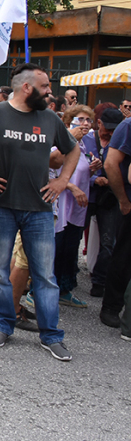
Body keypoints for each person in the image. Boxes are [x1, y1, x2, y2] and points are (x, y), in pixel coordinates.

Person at [0, 63, 80, 362]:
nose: (50, 92)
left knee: (45, 277)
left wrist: (62, 181)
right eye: (45, 87)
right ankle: (3, 325)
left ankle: (51, 335)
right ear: (26, 87)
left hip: (40, 210)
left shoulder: (50, 119)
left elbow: (73, 150)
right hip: (0, 207)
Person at [52, 105, 94, 309]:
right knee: (56, 250)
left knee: (70, 250)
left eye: (88, 120)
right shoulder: (60, 143)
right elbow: (52, 171)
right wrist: (72, 188)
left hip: (77, 210)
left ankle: (64, 290)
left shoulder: (84, 146)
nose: (85, 124)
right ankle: (39, 291)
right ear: (69, 122)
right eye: (81, 119)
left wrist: (93, 172)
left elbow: (80, 173)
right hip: (62, 206)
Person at [85, 106, 123, 297]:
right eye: (107, 127)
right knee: (71, 236)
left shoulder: (119, 142)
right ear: (98, 123)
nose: (110, 132)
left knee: (109, 242)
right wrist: (94, 179)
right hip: (86, 195)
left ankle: (99, 280)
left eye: (114, 129)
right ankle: (67, 275)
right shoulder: (86, 140)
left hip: (108, 197)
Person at [100, 112, 131, 329]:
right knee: (124, 255)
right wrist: (123, 200)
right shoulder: (128, 125)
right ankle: (111, 307)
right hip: (128, 201)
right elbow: (111, 164)